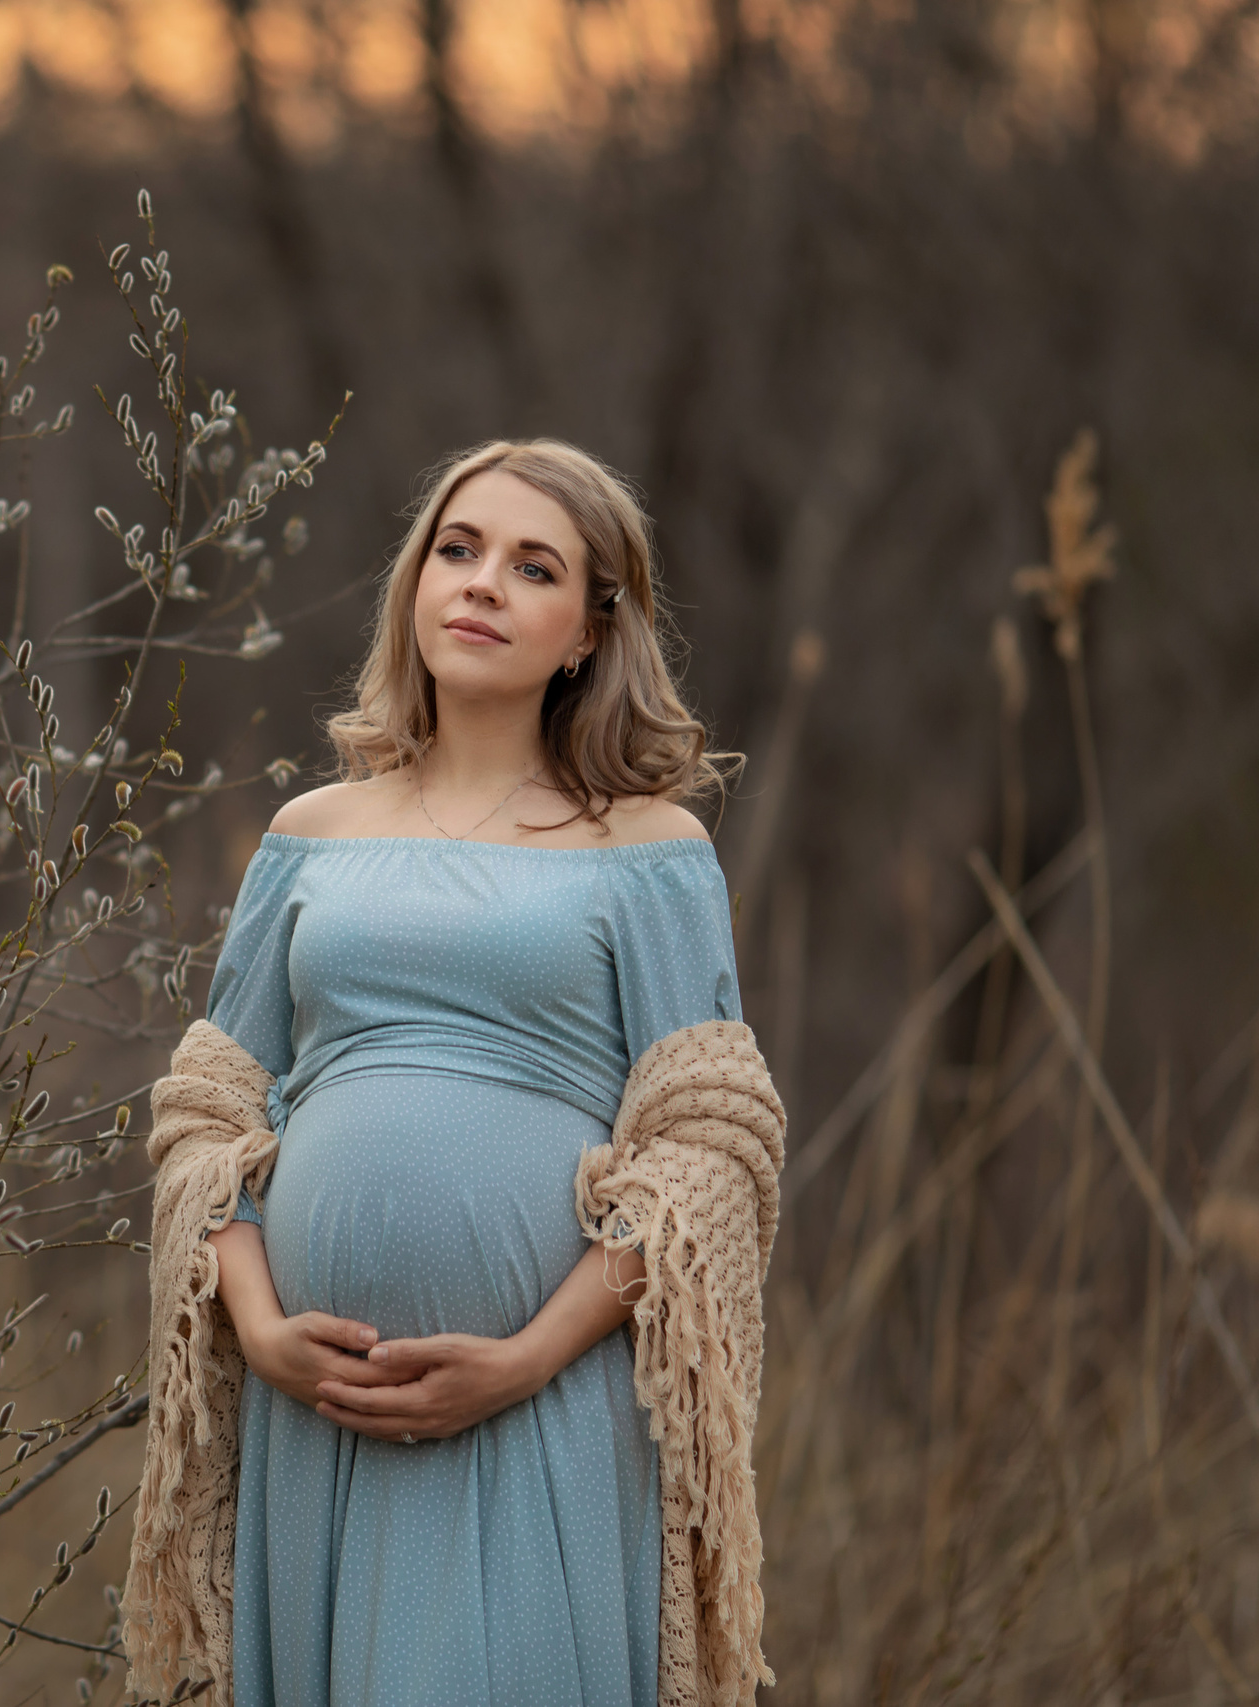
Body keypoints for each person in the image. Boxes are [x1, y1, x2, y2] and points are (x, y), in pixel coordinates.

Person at [124, 439, 786, 1707]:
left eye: (533, 567)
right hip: (315, 1420)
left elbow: (704, 1160)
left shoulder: (649, 850)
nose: (481, 583)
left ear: (589, 631)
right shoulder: (309, 834)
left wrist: (527, 1355)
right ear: (414, 583)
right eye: (458, 549)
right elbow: (213, 1114)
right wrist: (261, 1332)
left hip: (539, 1409)